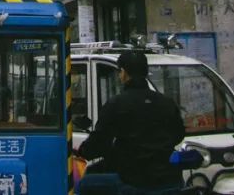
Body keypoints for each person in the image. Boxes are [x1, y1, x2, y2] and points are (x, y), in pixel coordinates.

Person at [76, 51, 186, 195]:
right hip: (169, 179)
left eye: (119, 72)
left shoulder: (116, 104)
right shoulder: (167, 103)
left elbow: (99, 143)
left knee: (83, 184)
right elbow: (179, 134)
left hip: (134, 181)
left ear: (123, 73)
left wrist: (83, 151)